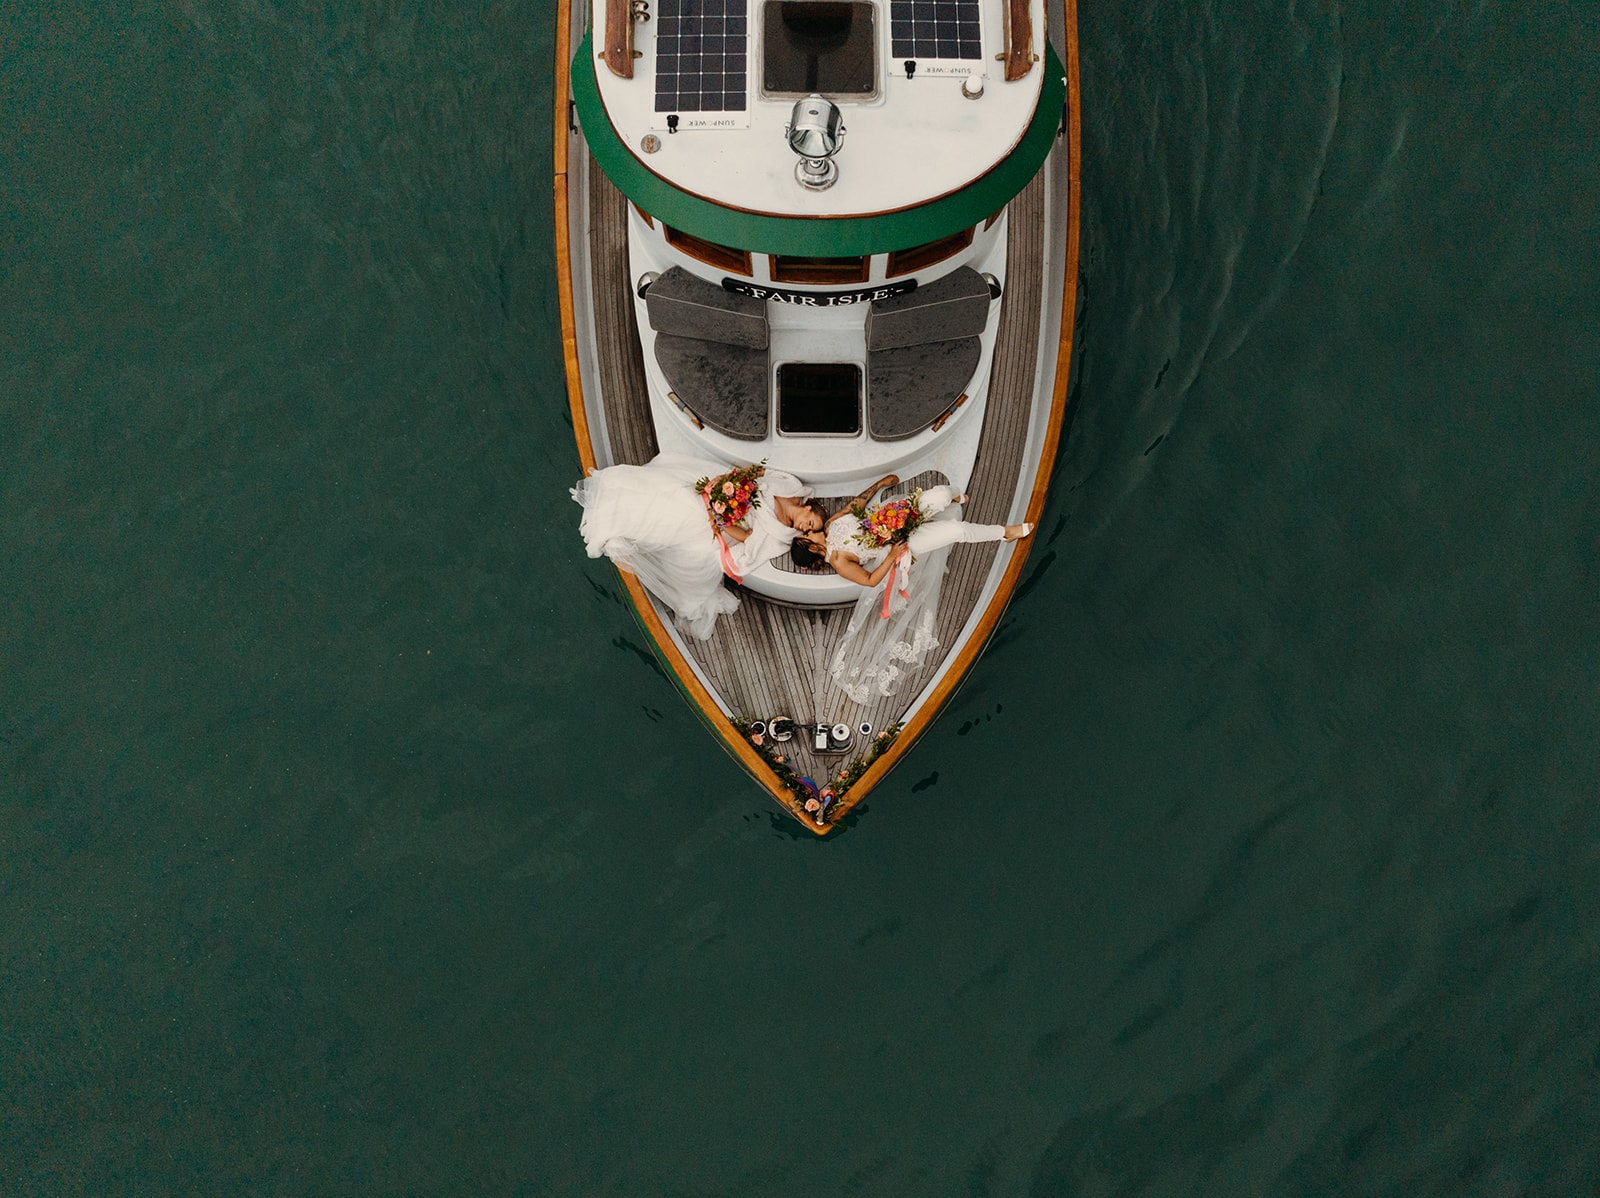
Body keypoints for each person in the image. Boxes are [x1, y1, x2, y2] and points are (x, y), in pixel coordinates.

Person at [791, 477, 1031, 702]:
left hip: (891, 516)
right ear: (810, 547)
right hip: (900, 545)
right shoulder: (840, 561)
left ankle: (954, 498)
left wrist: (880, 484)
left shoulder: (832, 524)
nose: (808, 530)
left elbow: (857, 504)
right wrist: (892, 556)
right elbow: (871, 580)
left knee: (941, 493)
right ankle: (1005, 533)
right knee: (957, 532)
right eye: (806, 534)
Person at [572, 455, 822, 639]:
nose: (804, 528)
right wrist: (728, 481)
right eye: (809, 522)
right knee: (676, 491)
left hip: (724, 520)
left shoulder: (782, 534)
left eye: (807, 530)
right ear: (809, 508)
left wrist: (718, 517)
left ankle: (621, 528)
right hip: (728, 490)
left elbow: (747, 537)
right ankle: (617, 503)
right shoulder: (790, 487)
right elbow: (758, 472)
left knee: (686, 514)